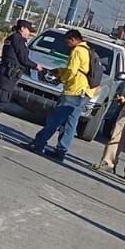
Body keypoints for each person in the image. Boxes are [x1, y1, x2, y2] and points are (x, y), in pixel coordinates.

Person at [28, 29, 95, 162]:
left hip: (73, 90)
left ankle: (39, 143)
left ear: (73, 39)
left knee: (55, 118)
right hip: (84, 92)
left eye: (67, 42)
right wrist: (59, 70)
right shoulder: (87, 50)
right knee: (71, 122)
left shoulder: (77, 51)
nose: (67, 45)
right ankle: (61, 151)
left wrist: (62, 78)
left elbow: (72, 70)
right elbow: (79, 69)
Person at [0, 18, 37, 139]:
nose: (29, 33)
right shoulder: (18, 39)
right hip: (8, 73)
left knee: (0, 100)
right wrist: (36, 66)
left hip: (7, 72)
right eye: (28, 30)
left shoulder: (13, 38)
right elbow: (23, 59)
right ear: (22, 28)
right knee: (0, 100)